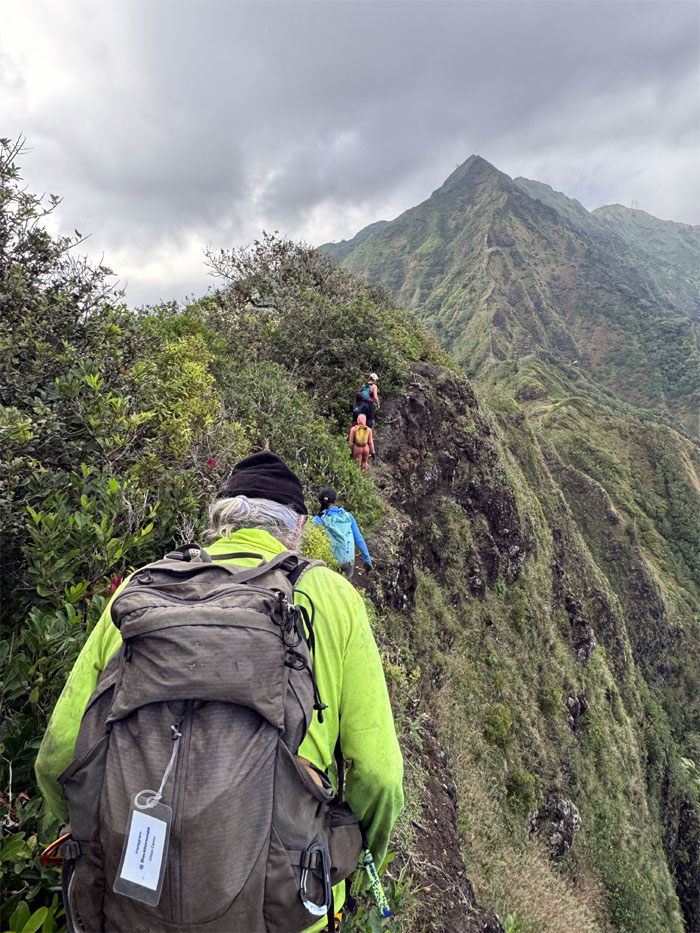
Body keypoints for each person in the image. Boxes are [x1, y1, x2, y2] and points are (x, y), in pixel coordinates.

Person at [35, 451, 403, 933]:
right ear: (297, 528)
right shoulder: (333, 598)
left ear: (218, 520)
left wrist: (93, 832)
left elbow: (57, 755)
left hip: (125, 905)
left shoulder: (141, 588)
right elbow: (379, 776)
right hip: (279, 904)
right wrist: (356, 858)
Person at [313, 487, 372, 579]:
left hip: (332, 563)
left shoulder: (319, 519)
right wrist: (367, 559)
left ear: (319, 500)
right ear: (336, 500)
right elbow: (359, 538)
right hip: (349, 563)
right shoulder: (348, 516)